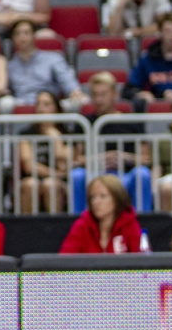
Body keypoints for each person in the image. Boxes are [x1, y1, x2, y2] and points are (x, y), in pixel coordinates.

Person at [78, 71, 153, 213]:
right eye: (95, 95)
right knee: (77, 175)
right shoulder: (84, 123)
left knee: (142, 174)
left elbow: (146, 158)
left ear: (115, 94)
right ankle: (79, 222)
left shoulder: (132, 122)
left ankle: (142, 221)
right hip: (94, 174)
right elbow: (75, 158)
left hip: (126, 174)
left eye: (103, 94)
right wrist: (98, 160)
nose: (99, 99)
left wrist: (125, 157)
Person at [3, 18, 86, 108]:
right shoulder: (10, 65)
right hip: (22, 104)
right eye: (17, 34)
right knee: (5, 103)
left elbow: (66, 79)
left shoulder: (52, 58)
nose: (22, 37)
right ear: (13, 38)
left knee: (80, 101)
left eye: (26, 33)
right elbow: (6, 89)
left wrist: (74, 91)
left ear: (34, 35)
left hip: (50, 104)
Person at [18, 91, 75, 213]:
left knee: (51, 185)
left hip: (59, 182)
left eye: (46, 104)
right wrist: (55, 174)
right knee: (30, 184)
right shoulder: (27, 134)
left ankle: (54, 225)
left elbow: (63, 165)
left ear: (57, 109)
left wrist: (56, 139)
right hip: (33, 178)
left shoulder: (67, 134)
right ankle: (26, 225)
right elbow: (29, 166)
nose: (41, 109)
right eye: (38, 104)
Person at [59, 175, 142, 253]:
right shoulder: (82, 225)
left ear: (117, 199)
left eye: (103, 196)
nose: (96, 202)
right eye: (93, 197)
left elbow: (141, 259)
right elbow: (65, 259)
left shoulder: (129, 224)